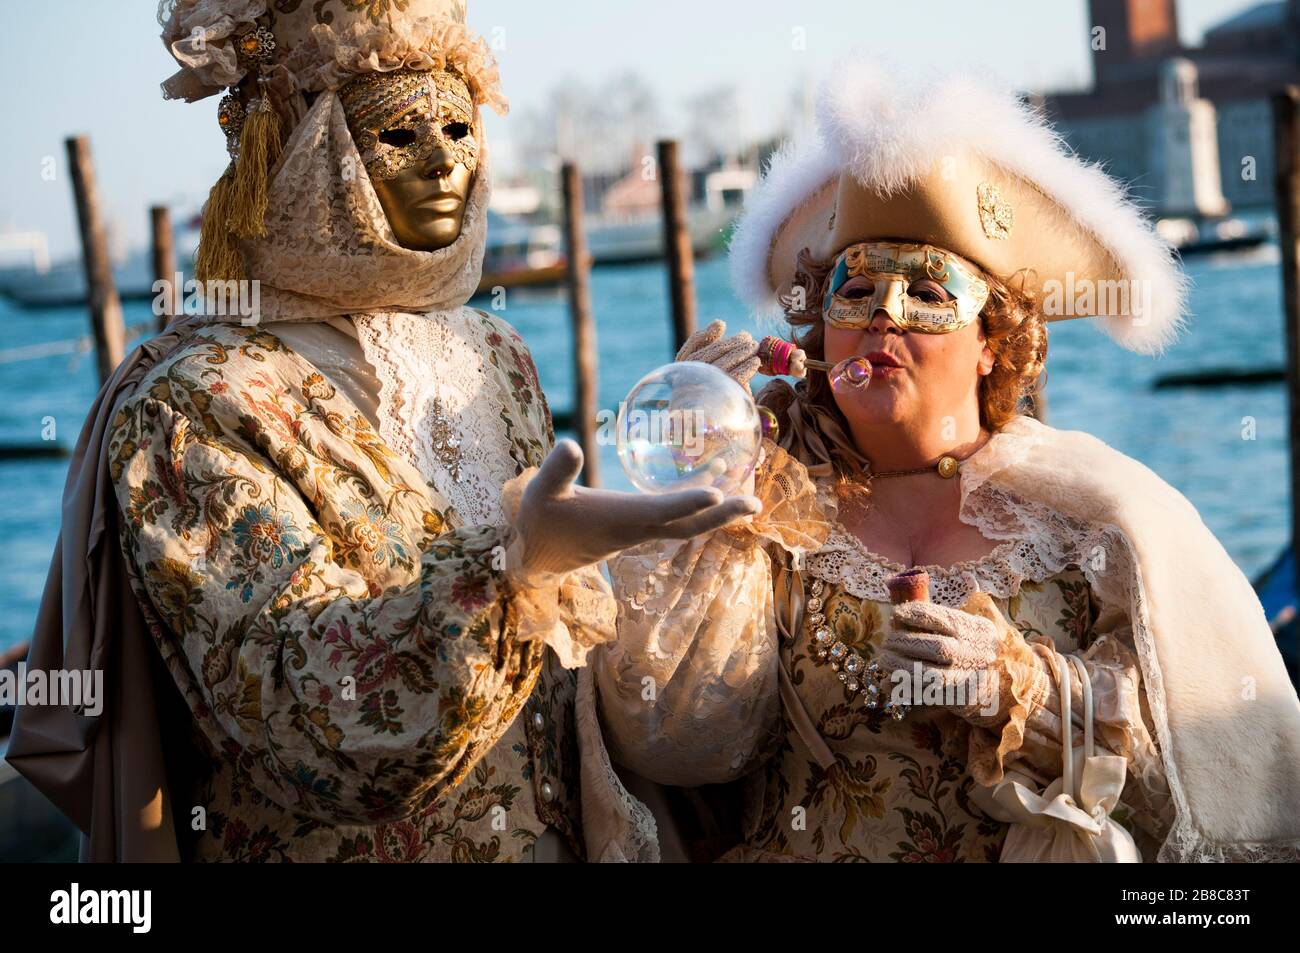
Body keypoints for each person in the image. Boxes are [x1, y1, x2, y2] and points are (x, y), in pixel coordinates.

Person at [5, 0, 754, 862]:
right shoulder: (193, 399)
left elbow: (567, 674)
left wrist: (680, 489)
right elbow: (298, 713)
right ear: (310, 152)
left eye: (459, 126)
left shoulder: (496, 352)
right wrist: (514, 571)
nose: (442, 161)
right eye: (398, 133)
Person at [590, 60, 1300, 862]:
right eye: (854, 292)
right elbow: (675, 741)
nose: (883, 316)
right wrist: (707, 484)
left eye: (928, 294)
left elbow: (1192, 757)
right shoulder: (772, 501)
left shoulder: (1091, 518)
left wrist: (1019, 688)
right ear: (819, 330)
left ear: (995, 343)